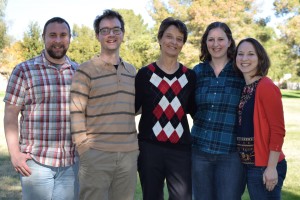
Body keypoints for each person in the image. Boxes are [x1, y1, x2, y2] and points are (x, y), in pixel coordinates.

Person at [3, 17, 79, 200]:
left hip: (71, 163)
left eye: (63, 35)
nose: (58, 40)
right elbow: (11, 114)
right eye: (52, 35)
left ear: (69, 38)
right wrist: (15, 153)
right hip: (36, 163)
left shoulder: (79, 72)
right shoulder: (24, 70)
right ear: (43, 37)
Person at [70, 9, 139, 200]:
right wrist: (84, 149)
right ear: (97, 36)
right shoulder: (85, 70)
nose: (111, 34)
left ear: (123, 34)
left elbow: (135, 107)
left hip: (128, 154)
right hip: (96, 154)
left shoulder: (132, 71)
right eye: (105, 30)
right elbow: (76, 112)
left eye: (116, 30)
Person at [135, 17, 196, 200]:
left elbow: (195, 110)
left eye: (179, 38)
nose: (174, 42)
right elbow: (133, 108)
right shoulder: (145, 74)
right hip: (149, 148)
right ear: (160, 39)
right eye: (169, 36)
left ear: (183, 44)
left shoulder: (190, 77)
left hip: (181, 150)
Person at [191, 21, 245, 200]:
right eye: (211, 39)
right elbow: (190, 106)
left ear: (229, 41)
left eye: (221, 39)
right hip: (199, 152)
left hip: (230, 154)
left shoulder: (241, 72)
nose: (216, 44)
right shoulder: (197, 72)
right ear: (205, 42)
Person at [234, 37, 287, 200]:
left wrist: (271, 168)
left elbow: (278, 130)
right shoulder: (243, 87)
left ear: (260, 59)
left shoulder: (266, 86)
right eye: (240, 54)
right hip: (248, 165)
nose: (244, 59)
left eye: (251, 54)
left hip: (265, 165)